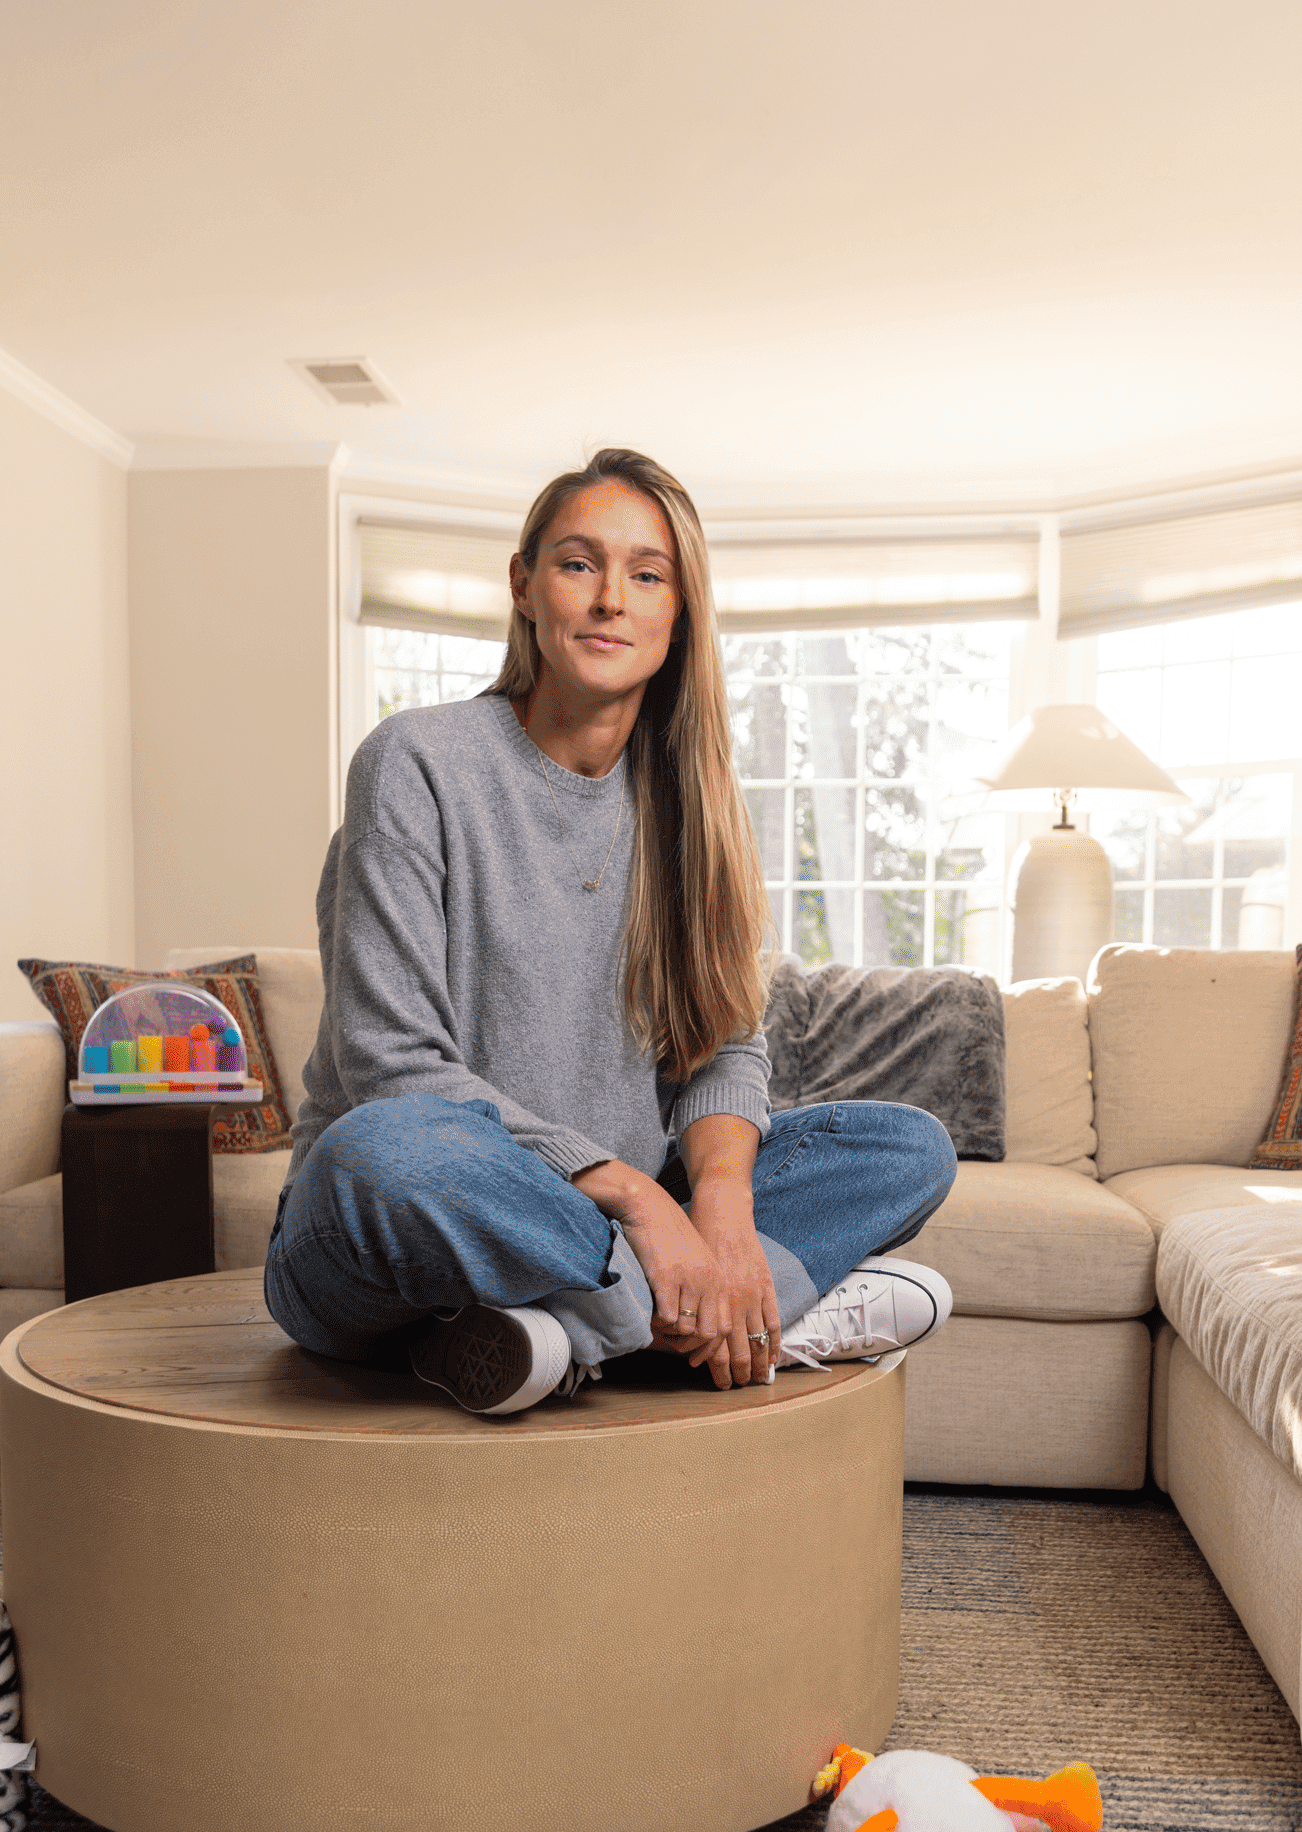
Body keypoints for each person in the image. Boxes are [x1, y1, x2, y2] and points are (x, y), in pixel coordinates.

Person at [263, 446, 957, 1416]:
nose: (610, 600)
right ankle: (737, 1321)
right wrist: (643, 1202)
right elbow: (396, 1070)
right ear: (525, 585)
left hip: (576, 1234)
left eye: (647, 575)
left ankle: (546, 1334)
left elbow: (724, 1050)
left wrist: (718, 1201)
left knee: (909, 1146)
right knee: (382, 1152)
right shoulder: (415, 763)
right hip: (407, 1219)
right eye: (579, 563)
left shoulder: (692, 813)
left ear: (678, 615)